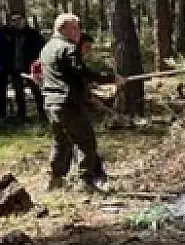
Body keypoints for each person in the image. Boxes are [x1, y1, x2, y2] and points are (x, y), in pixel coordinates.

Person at [39, 14, 126, 193]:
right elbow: (81, 72)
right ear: (63, 29)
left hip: (51, 103)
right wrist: (110, 78)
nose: (78, 32)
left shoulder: (46, 48)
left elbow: (68, 76)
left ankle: (55, 179)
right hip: (67, 103)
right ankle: (85, 182)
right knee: (85, 141)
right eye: (75, 28)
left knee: (61, 141)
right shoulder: (68, 47)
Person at [1, 11, 46, 123]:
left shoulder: (33, 34)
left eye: (19, 19)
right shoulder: (8, 34)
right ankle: (22, 116)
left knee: (37, 92)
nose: (17, 22)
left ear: (24, 20)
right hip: (15, 69)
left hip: (30, 68)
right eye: (14, 20)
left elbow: (42, 50)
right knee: (19, 93)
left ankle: (43, 114)